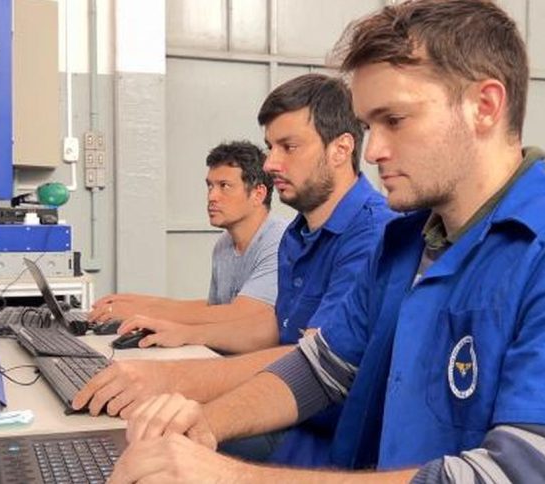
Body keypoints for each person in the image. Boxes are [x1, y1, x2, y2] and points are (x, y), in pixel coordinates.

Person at [110, 0, 545, 482]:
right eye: (372, 126)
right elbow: (317, 369)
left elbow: (524, 474)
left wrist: (232, 477)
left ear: (485, 106)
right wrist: (204, 424)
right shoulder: (402, 245)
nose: (372, 153)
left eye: (395, 119)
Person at [71, 73, 394, 428]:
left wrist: (174, 379)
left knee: (140, 431)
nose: (270, 164)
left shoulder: (374, 234)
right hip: (285, 410)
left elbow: (315, 364)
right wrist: (187, 333)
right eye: (270, 147)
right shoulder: (297, 235)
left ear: (341, 149)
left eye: (289, 147)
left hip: (318, 431)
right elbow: (276, 327)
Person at [90, 141, 287, 353]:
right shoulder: (223, 245)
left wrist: (146, 311)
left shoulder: (279, 241)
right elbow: (215, 310)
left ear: (258, 194)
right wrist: (140, 302)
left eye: (224, 186)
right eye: (210, 186)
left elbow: (243, 315)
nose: (212, 197)